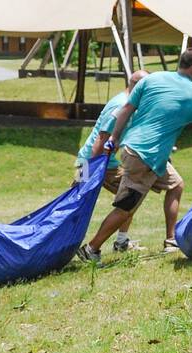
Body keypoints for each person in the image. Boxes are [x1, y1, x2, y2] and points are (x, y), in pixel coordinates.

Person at [78, 50, 192, 264]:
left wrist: (115, 139)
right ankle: (91, 249)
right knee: (127, 207)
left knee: (176, 184)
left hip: (140, 154)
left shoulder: (153, 79)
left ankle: (170, 240)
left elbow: (127, 110)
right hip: (141, 157)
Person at [73, 69, 148, 252]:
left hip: (92, 159)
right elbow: (101, 139)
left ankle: (121, 241)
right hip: (94, 160)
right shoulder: (121, 105)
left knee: (77, 200)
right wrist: (91, 170)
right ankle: (118, 242)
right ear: (138, 87)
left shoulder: (128, 102)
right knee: (131, 195)